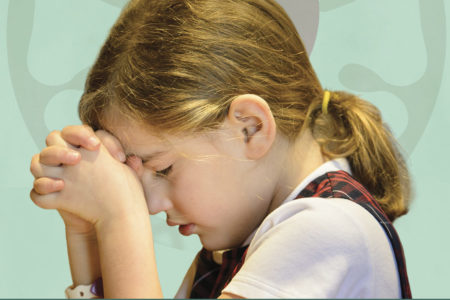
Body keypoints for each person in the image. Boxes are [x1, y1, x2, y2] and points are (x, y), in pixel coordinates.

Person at [29, 0, 412, 298]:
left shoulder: (325, 231)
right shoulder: (235, 253)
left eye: (162, 169)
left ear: (249, 128)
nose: (147, 203)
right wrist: (87, 233)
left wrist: (118, 218)